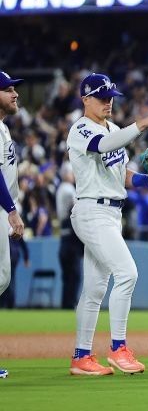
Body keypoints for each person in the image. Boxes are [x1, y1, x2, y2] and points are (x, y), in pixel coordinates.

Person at [67, 73, 148, 376]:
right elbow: (102, 146)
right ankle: (118, 348)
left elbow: (121, 173)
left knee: (94, 289)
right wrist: (144, 122)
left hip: (111, 213)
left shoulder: (113, 127)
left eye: (110, 96)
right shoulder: (81, 129)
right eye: (101, 97)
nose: (108, 101)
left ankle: (81, 357)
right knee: (127, 273)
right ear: (85, 99)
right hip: (91, 211)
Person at [0, 70, 27, 379]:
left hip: (3, 208)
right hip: (1, 209)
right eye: (7, 89)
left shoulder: (3, 128)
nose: (15, 94)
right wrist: (11, 210)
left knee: (2, 278)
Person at [56, 163, 84, 309]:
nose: (73, 176)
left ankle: (65, 303)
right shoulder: (68, 189)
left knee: (67, 276)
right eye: (71, 173)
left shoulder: (60, 188)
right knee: (74, 274)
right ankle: (70, 304)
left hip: (64, 236)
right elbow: (77, 209)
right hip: (71, 236)